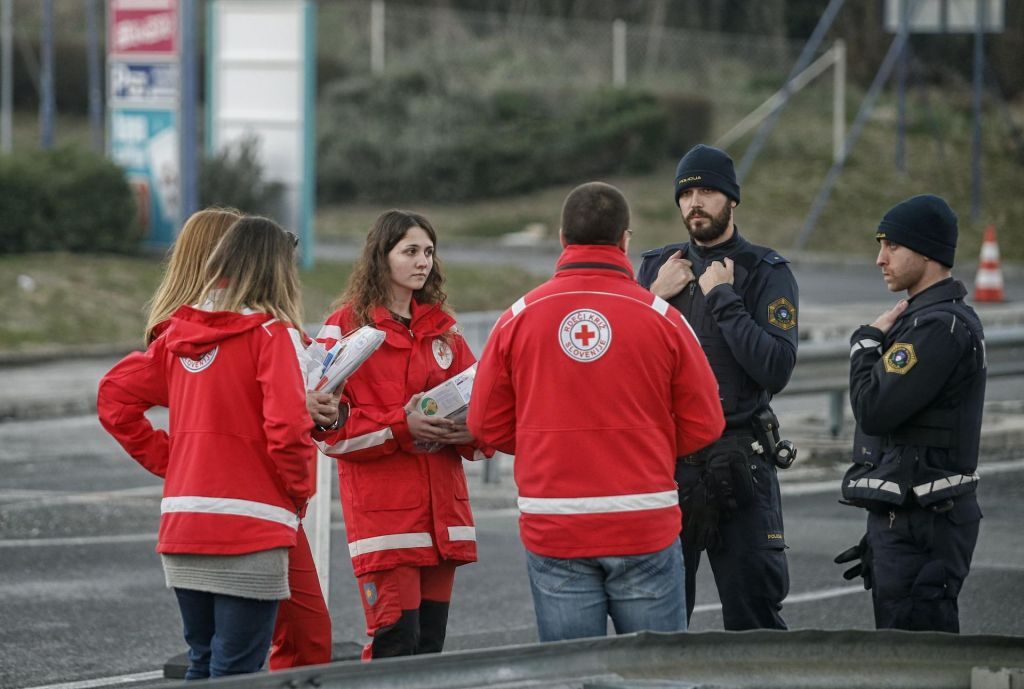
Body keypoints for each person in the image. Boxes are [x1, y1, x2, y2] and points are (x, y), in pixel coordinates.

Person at [468, 182, 724, 642]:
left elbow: (484, 423)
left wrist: (544, 439)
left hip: (556, 522)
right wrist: (649, 445)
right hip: (643, 518)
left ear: (563, 239)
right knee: (657, 677)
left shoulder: (519, 316)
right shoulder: (662, 317)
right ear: (625, 240)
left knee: (571, 674)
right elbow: (706, 421)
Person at [98, 217, 317, 678]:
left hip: (185, 524)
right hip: (252, 526)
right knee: (237, 670)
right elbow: (287, 428)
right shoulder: (271, 335)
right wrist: (299, 492)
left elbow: (114, 397)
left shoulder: (177, 335)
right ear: (275, 270)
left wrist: (175, 462)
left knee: (203, 662)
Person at [314, 210, 490, 660]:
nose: (423, 262)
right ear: (381, 257)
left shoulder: (445, 331)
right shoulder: (344, 328)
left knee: (429, 651)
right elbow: (328, 431)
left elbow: (484, 409)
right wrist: (400, 426)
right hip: (386, 522)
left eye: (428, 252)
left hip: (443, 519)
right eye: (410, 251)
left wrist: (468, 430)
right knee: (395, 647)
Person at [636, 144, 798, 630]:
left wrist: (724, 297)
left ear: (731, 199)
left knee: (753, 619)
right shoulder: (658, 268)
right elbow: (625, 360)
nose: (694, 203)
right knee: (662, 623)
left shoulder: (766, 271)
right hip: (669, 470)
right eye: (686, 193)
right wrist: (652, 299)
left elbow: (775, 368)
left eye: (706, 191)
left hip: (741, 462)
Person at [835, 195, 986, 632]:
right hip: (911, 517)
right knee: (900, 651)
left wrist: (864, 345)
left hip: (928, 523)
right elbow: (905, 437)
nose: (880, 259)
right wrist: (883, 522)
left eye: (892, 246)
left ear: (927, 251)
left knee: (918, 655)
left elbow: (874, 410)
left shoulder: (939, 327)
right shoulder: (920, 321)